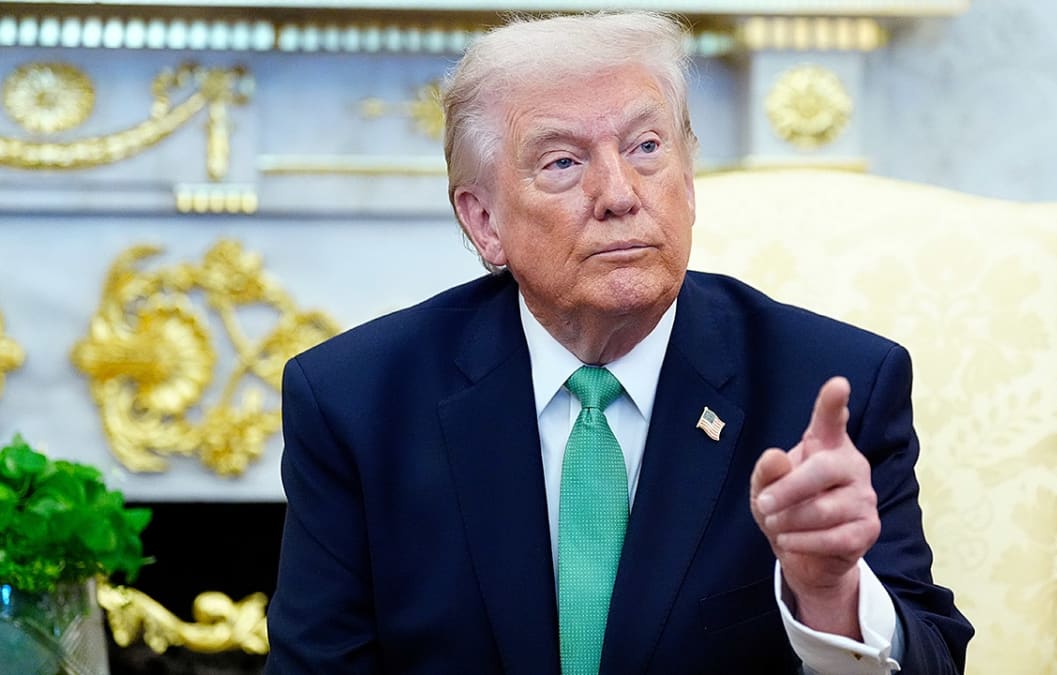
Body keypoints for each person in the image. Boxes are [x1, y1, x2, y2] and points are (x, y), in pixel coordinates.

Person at [265, 11, 972, 675]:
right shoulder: (357, 405)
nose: (619, 193)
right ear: (484, 222)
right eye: (563, 163)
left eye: (646, 147)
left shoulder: (830, 386)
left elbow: (934, 659)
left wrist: (830, 592)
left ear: (689, 182)